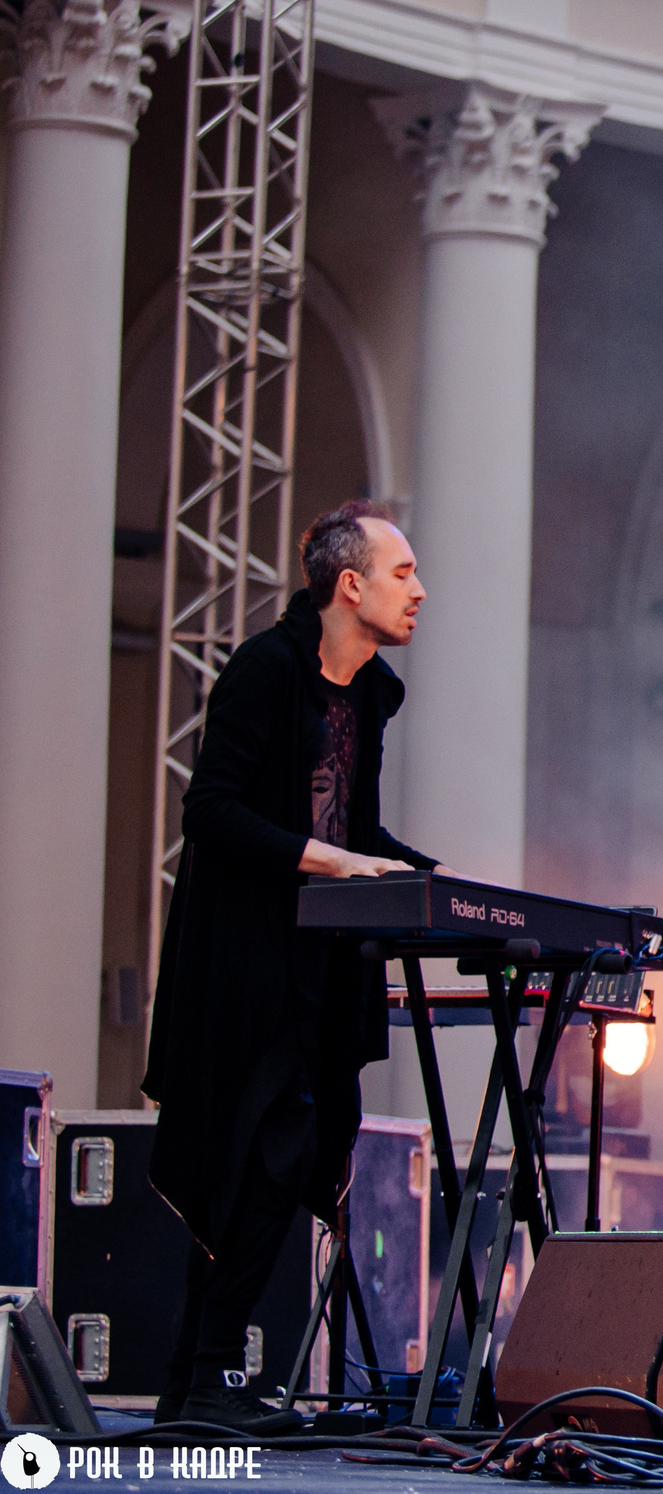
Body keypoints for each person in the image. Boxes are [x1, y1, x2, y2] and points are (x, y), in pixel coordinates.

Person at [143, 502, 448, 1429]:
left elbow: (350, 831)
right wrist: (340, 860)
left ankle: (195, 1388)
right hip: (245, 965)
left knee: (296, 1156)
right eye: (402, 573)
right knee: (256, 1158)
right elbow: (214, 813)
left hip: (320, 968)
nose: (420, 590)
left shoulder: (368, 695)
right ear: (348, 584)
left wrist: (424, 877)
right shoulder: (266, 671)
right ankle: (206, 1382)